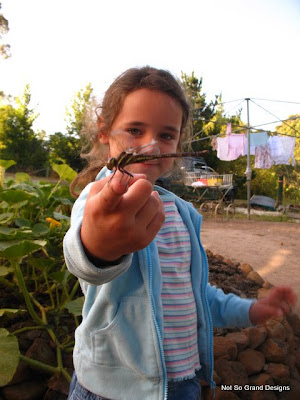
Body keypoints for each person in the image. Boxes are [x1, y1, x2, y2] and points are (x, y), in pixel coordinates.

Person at [63, 66, 296, 400]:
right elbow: (80, 259)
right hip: (109, 387)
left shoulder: (182, 214)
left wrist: (250, 310)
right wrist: (99, 249)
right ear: (104, 131)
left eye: (166, 135)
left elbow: (193, 295)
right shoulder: (99, 198)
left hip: (183, 384)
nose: (152, 147)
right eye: (134, 129)